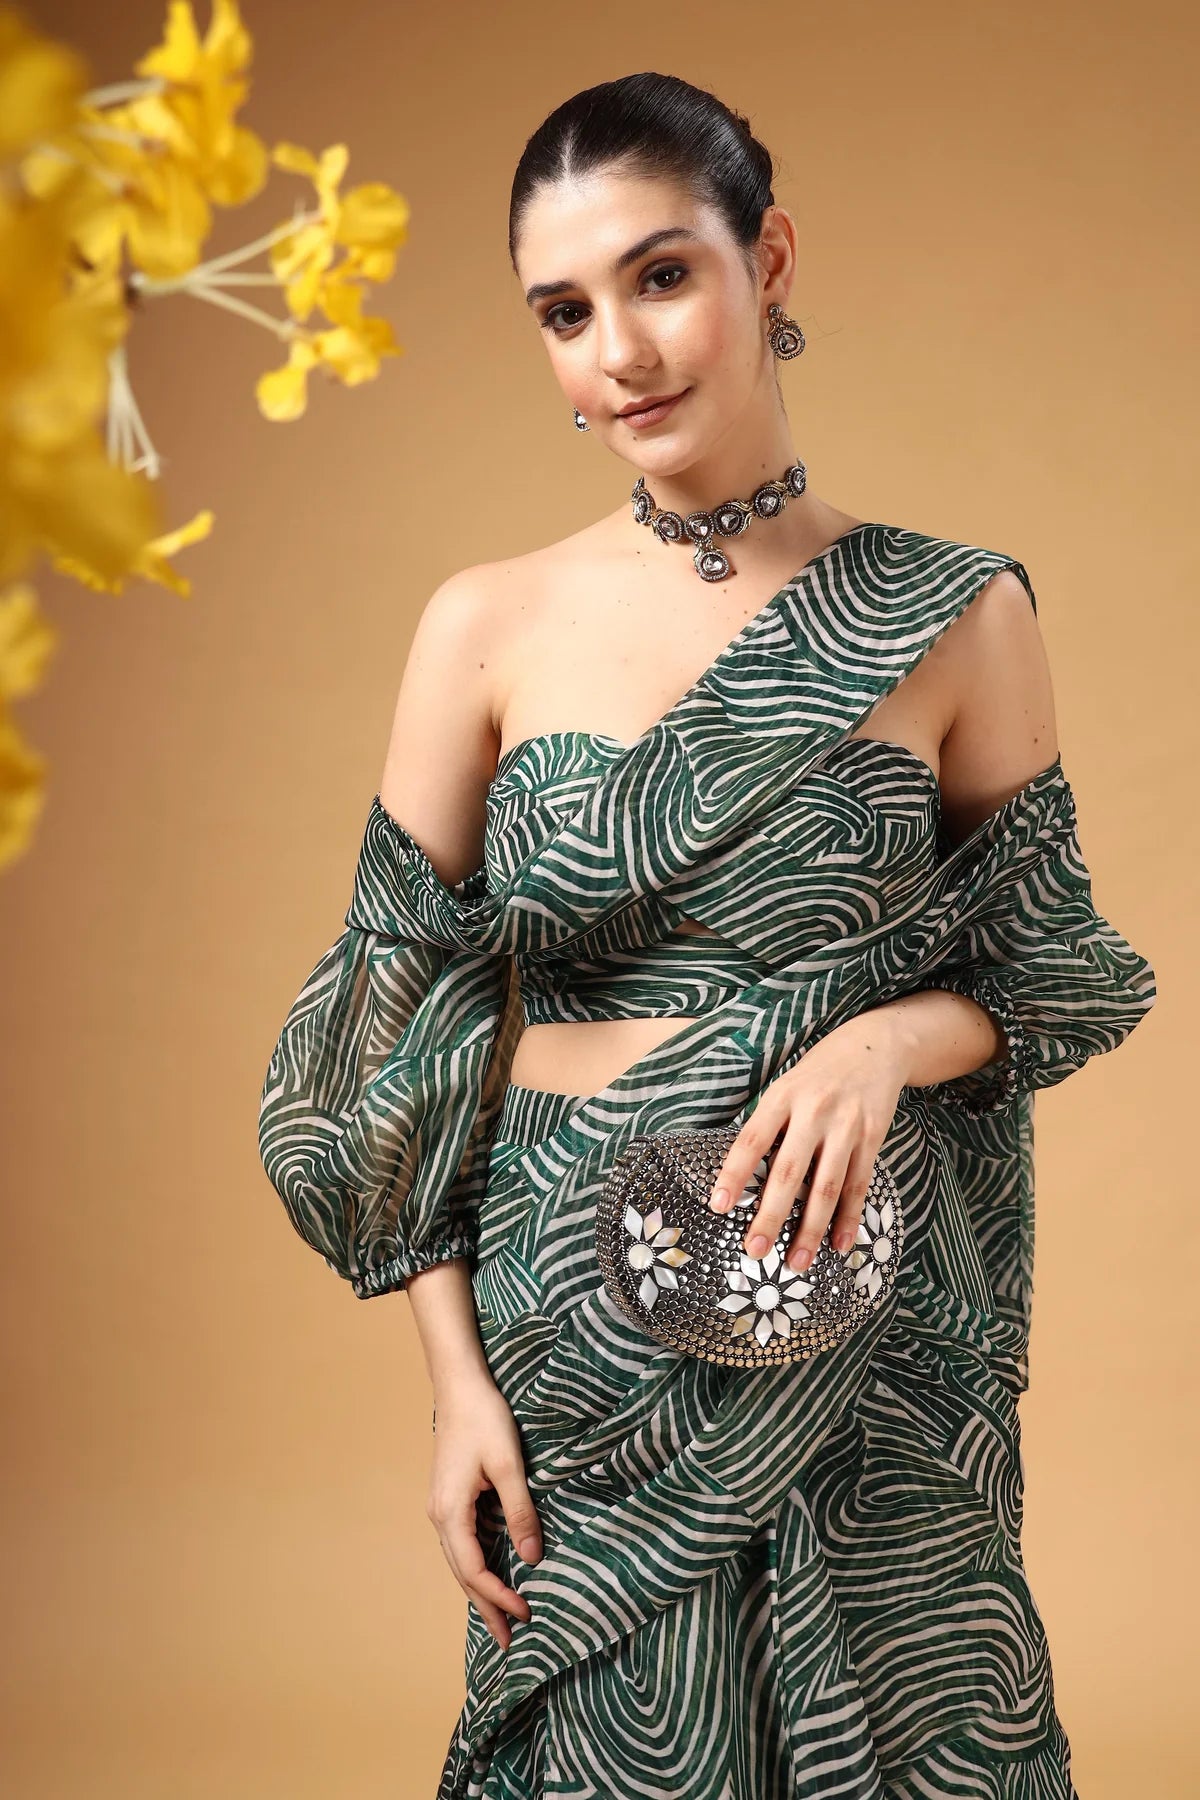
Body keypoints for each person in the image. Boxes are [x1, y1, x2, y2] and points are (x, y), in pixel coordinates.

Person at [258, 71, 1156, 1800]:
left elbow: (1046, 971)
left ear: (772, 261)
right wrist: (455, 1389)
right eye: (564, 312)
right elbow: (389, 1039)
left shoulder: (958, 613)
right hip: (575, 1332)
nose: (620, 351)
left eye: (663, 276)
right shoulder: (483, 628)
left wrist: (885, 1041)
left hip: (868, 1316)